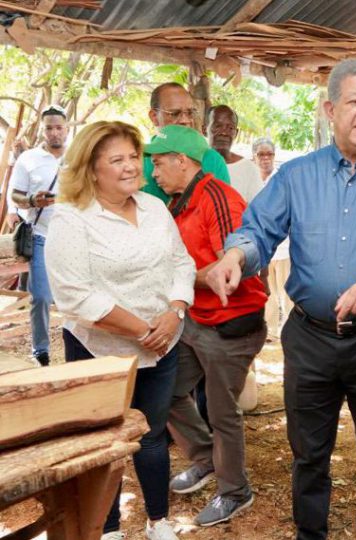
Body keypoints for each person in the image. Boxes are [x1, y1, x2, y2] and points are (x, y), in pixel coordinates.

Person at [207, 58, 356, 540]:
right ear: (331, 109)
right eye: (355, 101)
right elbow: (258, 231)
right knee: (309, 453)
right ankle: (311, 534)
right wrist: (235, 257)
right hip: (310, 338)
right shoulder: (295, 176)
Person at [45, 121, 196, 540]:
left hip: (162, 343)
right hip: (100, 350)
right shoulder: (72, 218)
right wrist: (143, 328)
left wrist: (175, 311)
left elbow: (181, 263)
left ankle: (158, 521)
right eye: (118, 159)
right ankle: (108, 529)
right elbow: (75, 295)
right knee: (105, 441)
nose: (131, 166)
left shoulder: (154, 207)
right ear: (92, 169)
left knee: (152, 434)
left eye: (134, 156)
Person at [145, 125, 268, 527]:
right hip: (199, 319)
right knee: (168, 394)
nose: (154, 171)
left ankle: (235, 491)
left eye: (159, 163)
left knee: (222, 411)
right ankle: (206, 459)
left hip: (232, 323)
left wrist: (180, 278)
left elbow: (224, 268)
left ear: (183, 161)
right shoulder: (179, 199)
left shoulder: (217, 197)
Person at [9, 104, 68, 367]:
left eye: (59, 128)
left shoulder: (78, 158)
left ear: (67, 129)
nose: (54, 133)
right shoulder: (28, 159)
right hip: (42, 236)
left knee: (74, 296)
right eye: (49, 128)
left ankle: (77, 345)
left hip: (74, 239)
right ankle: (40, 349)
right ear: (43, 131)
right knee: (42, 296)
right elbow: (15, 195)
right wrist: (32, 199)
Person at [142, 82, 230, 203]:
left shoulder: (212, 159)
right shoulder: (137, 160)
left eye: (190, 113)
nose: (185, 120)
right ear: (154, 117)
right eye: (175, 113)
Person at [252, 137, 292, 339]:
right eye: (261, 154)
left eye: (270, 154)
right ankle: (270, 332)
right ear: (254, 157)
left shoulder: (282, 180)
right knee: (267, 294)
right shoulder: (252, 180)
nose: (266, 158)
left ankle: (288, 331)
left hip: (284, 248)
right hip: (263, 250)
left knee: (286, 293)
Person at [207, 105, 263, 203]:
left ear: (236, 133)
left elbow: (257, 211)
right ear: (204, 129)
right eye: (218, 126)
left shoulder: (249, 169)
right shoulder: (193, 163)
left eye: (230, 128)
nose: (224, 132)